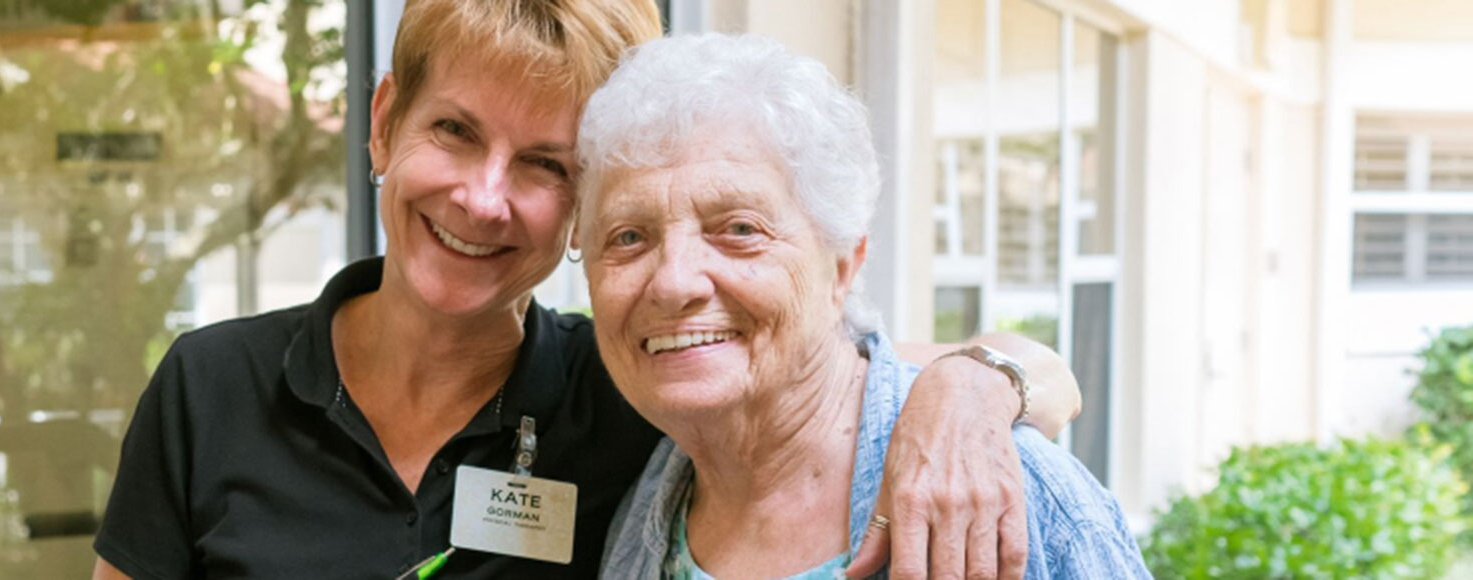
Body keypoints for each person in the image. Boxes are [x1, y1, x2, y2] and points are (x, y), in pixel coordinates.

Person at [92, 2, 1082, 578]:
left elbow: (864, 365)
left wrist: (974, 387)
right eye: (455, 132)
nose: (484, 198)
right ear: (386, 122)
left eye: (544, 165)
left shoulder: (637, 385)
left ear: (582, 205)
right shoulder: (210, 386)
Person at [581, 34, 1149, 579]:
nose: (673, 282)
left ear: (843, 265)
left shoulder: (1003, 489)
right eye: (628, 237)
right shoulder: (645, 495)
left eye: (738, 228)